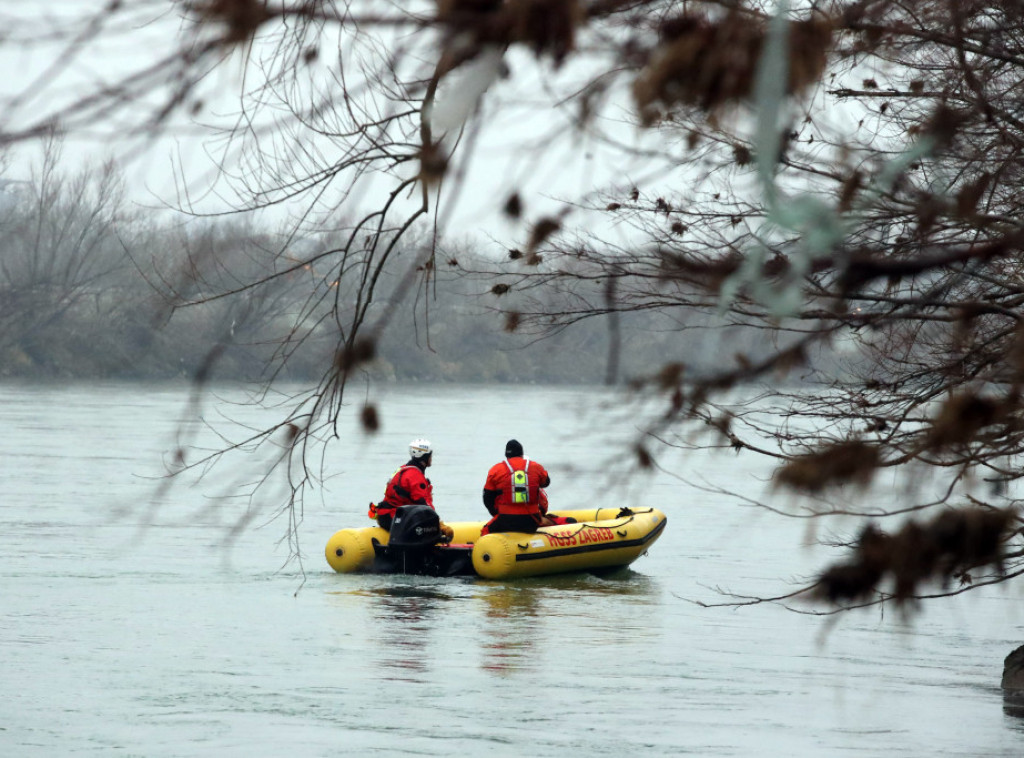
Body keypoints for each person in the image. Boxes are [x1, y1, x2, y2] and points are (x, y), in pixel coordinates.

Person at [481, 439, 559, 535]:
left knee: (485, 531)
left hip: (506, 520)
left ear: (506, 455)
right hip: (532, 520)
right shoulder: (536, 467)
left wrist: (496, 513)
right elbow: (546, 482)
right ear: (522, 454)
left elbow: (487, 498)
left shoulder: (495, 470)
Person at [369, 438, 440, 532]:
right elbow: (425, 507)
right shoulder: (415, 477)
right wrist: (438, 524)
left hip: (385, 516)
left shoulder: (403, 469)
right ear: (424, 457)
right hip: (396, 519)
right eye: (430, 455)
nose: (431, 458)